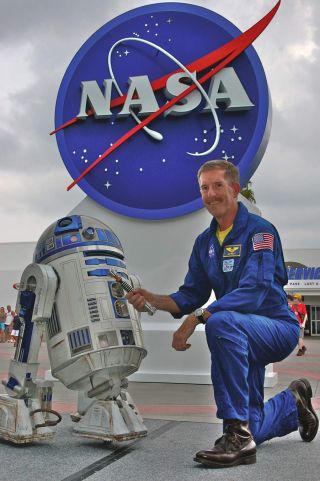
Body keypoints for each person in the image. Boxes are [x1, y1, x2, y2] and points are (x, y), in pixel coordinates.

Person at [127, 159, 319, 469]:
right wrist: (154, 300)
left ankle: (235, 438)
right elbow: (190, 294)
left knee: (219, 321)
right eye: (204, 187)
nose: (211, 193)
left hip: (275, 327)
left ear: (235, 189)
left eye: (218, 185)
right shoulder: (205, 243)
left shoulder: (259, 232)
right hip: (242, 332)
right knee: (253, 425)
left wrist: (197, 318)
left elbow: (255, 291)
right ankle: (293, 403)